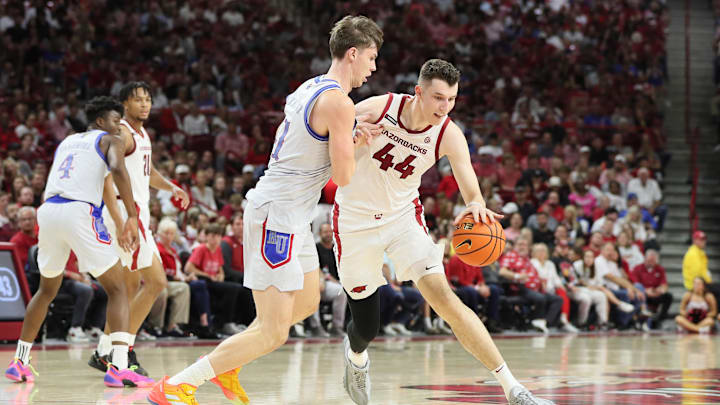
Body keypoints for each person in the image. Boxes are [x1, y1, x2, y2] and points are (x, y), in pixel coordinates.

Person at [148, 15, 384, 404]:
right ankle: (177, 385)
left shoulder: (310, 87)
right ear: (353, 53)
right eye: (372, 58)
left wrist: (350, 138)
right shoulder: (340, 103)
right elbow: (341, 178)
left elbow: (306, 148)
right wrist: (359, 145)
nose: (373, 68)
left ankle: (231, 364)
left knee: (308, 301)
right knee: (274, 332)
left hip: (291, 214)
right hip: (278, 214)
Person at [333, 59, 553, 404]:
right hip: (354, 223)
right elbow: (332, 150)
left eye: (451, 99)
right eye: (438, 98)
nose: (444, 107)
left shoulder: (448, 133)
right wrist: (354, 139)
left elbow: (468, 179)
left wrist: (476, 202)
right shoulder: (378, 108)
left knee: (446, 300)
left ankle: (513, 388)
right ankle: (356, 358)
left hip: (402, 220)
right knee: (366, 327)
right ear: (418, 92)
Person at [4, 97, 152, 387]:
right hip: (78, 211)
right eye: (114, 121)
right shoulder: (109, 140)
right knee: (119, 288)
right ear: (100, 122)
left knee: (46, 290)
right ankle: (119, 366)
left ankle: (19, 362)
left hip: (47, 211)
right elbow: (119, 170)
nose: (119, 127)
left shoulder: (68, 142)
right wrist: (131, 216)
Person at [90, 82, 190, 377]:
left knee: (132, 286)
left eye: (148, 99)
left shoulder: (141, 134)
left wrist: (171, 186)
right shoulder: (120, 133)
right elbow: (108, 178)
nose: (145, 104)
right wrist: (123, 221)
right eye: (137, 100)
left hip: (136, 213)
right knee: (154, 283)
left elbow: (147, 171)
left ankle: (104, 350)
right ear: (124, 104)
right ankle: (122, 352)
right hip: (125, 212)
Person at [630, 249, 672, 329]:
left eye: (653, 261)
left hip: (655, 293)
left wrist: (660, 290)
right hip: (643, 294)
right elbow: (635, 284)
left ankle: (659, 319)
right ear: (645, 259)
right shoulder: (637, 268)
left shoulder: (660, 269)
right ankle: (640, 320)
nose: (651, 262)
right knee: (639, 292)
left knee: (668, 296)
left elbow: (664, 285)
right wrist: (646, 291)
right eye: (649, 260)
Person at [682, 230, 720, 304]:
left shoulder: (699, 252)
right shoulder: (693, 254)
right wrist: (708, 282)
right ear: (695, 240)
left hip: (701, 282)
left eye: (704, 239)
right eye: (701, 239)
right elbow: (698, 274)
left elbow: (703, 271)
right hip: (695, 285)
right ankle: (716, 313)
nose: (704, 241)